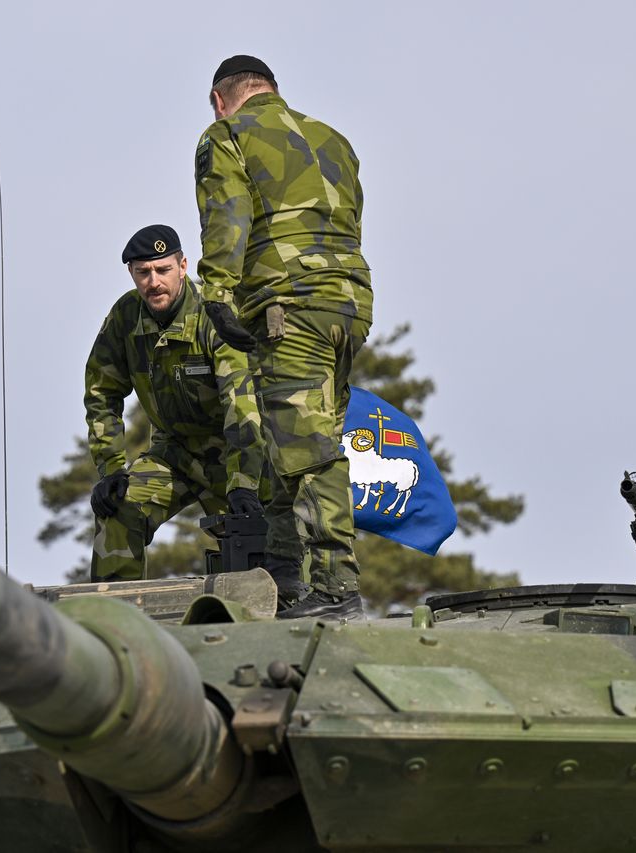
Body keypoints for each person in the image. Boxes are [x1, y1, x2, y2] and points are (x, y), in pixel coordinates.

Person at [194, 55, 372, 619]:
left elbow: (227, 215)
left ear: (219, 99)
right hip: (347, 307)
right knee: (289, 439)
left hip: (286, 304)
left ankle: (336, 590)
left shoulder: (227, 135)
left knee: (309, 451)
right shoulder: (333, 139)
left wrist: (217, 294)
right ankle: (288, 578)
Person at [85, 224, 265, 581]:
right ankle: (117, 623)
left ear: (183, 266)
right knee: (118, 507)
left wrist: (244, 482)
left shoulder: (213, 316)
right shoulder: (125, 318)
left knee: (270, 537)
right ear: (132, 274)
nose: (153, 282)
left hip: (233, 455)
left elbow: (240, 405)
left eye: (162, 270)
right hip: (174, 455)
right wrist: (111, 468)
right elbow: (101, 391)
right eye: (143, 272)